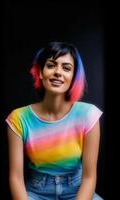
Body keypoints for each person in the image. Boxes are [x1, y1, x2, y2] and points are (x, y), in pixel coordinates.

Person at [6, 41, 104, 200]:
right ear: (40, 72)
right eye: (51, 65)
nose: (58, 72)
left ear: (73, 77)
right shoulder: (18, 118)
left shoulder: (88, 115)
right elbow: (15, 178)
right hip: (36, 193)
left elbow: (89, 177)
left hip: (77, 191)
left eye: (66, 68)